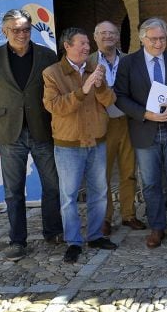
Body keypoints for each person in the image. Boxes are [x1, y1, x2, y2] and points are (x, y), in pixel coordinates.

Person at [0, 9, 62, 261]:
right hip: (11, 133)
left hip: (42, 128)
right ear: (4, 31)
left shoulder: (47, 56)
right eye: (15, 29)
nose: (21, 34)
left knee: (52, 185)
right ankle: (18, 241)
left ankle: (53, 231)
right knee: (13, 191)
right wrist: (3, 114)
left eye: (26, 29)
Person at [43, 27, 118, 263]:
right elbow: (54, 106)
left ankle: (95, 235)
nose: (87, 48)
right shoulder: (52, 73)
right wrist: (83, 90)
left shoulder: (95, 70)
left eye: (88, 44)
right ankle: (73, 242)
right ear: (67, 46)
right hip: (68, 145)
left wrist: (100, 86)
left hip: (97, 140)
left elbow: (109, 101)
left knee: (99, 192)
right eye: (82, 44)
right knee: (69, 196)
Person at [114, 17, 167, 248]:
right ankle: (157, 227)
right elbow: (120, 96)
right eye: (154, 39)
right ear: (142, 38)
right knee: (150, 183)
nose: (159, 43)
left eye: (163, 38)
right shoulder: (128, 63)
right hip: (144, 130)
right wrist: (145, 114)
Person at [89, 21, 146, 235]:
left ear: (118, 36)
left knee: (128, 171)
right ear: (95, 37)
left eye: (112, 33)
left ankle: (129, 214)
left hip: (128, 121)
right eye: (103, 33)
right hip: (102, 125)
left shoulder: (130, 60)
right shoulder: (88, 62)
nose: (108, 36)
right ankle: (105, 217)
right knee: (101, 174)